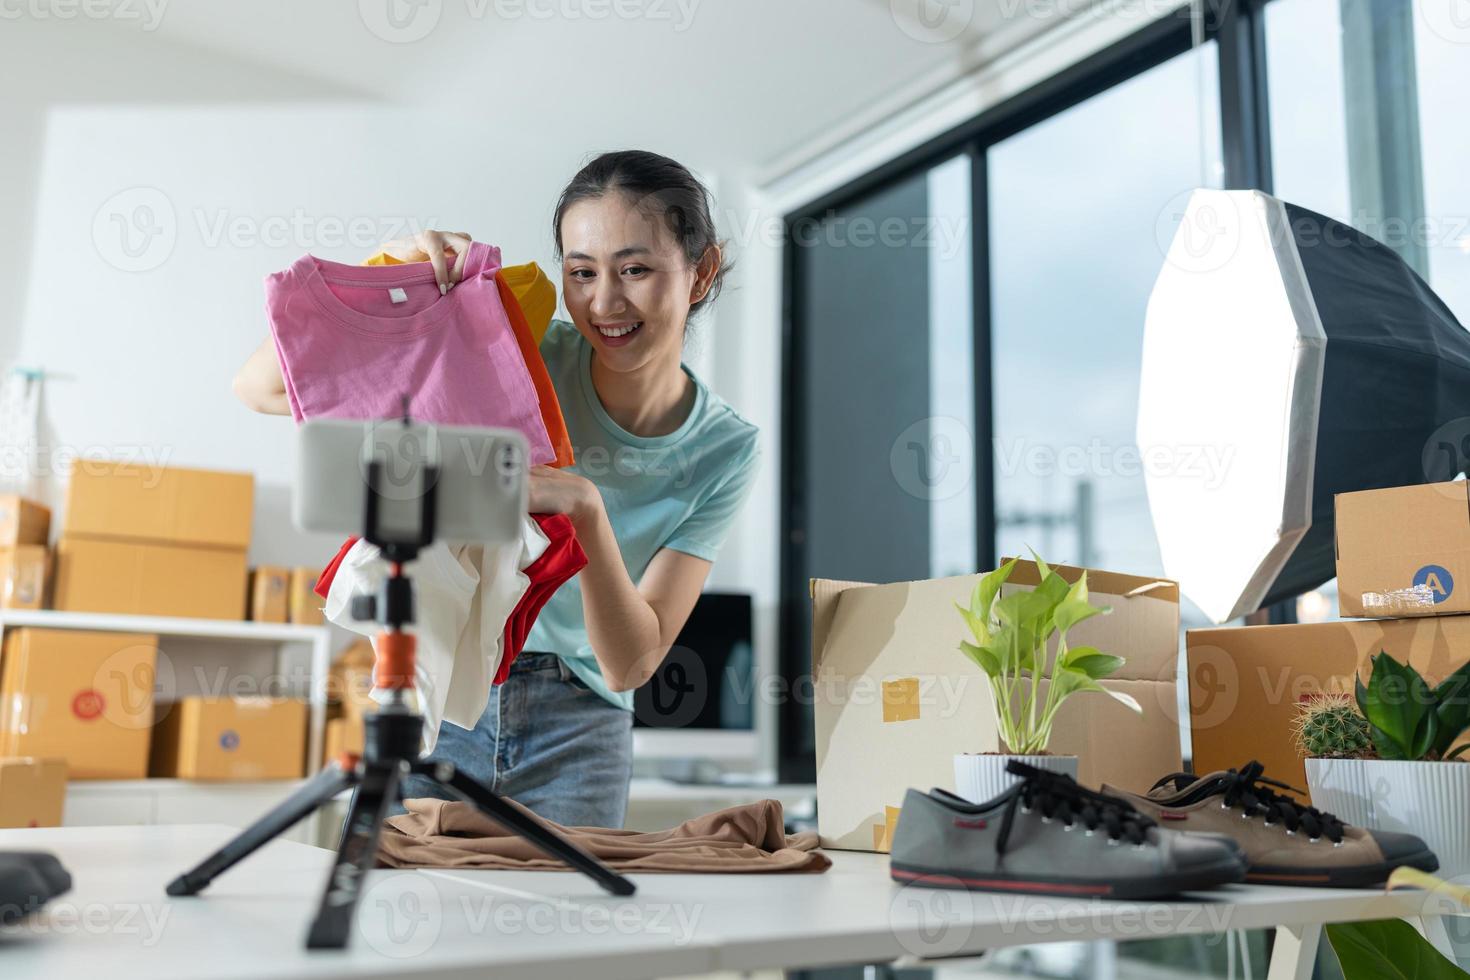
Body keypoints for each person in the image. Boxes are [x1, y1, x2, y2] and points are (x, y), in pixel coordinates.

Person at [232, 150, 760, 827]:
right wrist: (388, 274)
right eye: (581, 272)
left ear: (701, 271)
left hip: (583, 727)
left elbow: (630, 664)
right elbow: (261, 388)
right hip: (456, 687)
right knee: (424, 913)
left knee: (566, 925)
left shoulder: (725, 448)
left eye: (635, 269)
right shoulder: (519, 348)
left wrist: (587, 512)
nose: (604, 302)